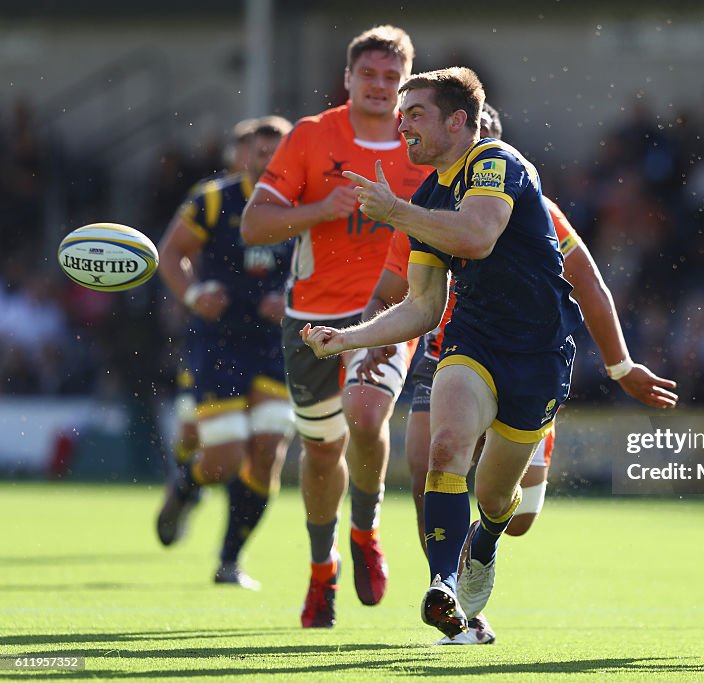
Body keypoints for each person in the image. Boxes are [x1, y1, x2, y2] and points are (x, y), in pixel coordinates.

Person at [358, 102, 678, 644]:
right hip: (452, 349)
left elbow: (591, 286)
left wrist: (621, 365)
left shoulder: (538, 209)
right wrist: (365, 336)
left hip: (529, 357)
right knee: (431, 463)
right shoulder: (425, 206)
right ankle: (451, 597)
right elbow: (399, 289)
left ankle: (483, 545)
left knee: (513, 509)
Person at [301, 66, 584, 641]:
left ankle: (483, 543)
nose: (401, 124)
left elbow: (477, 235)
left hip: (539, 354)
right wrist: (349, 340)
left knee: (497, 496)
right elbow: (424, 305)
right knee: (445, 449)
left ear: (458, 121)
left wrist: (397, 214)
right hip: (473, 342)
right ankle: (444, 588)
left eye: (416, 114)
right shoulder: (427, 195)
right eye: (401, 115)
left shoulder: (497, 162)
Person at [240, 25, 430, 627]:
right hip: (311, 320)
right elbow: (254, 225)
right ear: (348, 78)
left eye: (391, 77)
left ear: (405, 84)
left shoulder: (419, 141)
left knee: (368, 414)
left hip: (390, 311)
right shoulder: (312, 136)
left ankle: (366, 528)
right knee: (321, 454)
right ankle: (323, 571)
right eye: (368, 75)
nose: (380, 86)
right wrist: (323, 208)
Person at [155, 115, 294, 591]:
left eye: (279, 153)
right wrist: (194, 296)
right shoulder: (214, 199)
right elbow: (170, 252)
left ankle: (230, 560)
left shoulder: (306, 205)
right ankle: (186, 486)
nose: (269, 161)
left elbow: (329, 268)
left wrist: (295, 301)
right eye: (261, 152)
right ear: (247, 156)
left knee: (269, 450)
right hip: (220, 340)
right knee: (224, 460)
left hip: (275, 345)